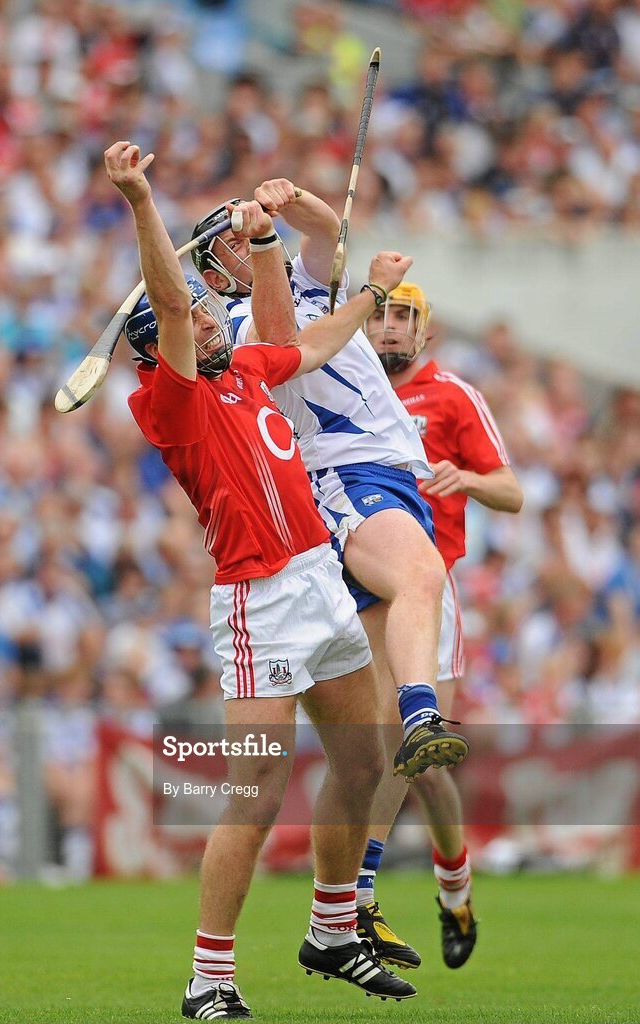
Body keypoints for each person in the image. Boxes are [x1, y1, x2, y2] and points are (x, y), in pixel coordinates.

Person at [103, 141, 417, 1020]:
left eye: (209, 313)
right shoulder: (170, 401)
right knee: (255, 793)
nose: (209, 320)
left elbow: (308, 344)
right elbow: (167, 294)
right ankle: (208, 981)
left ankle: (331, 930)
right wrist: (138, 198)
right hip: (260, 602)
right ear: (157, 348)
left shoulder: (242, 368)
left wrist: (371, 291)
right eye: (196, 319)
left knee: (363, 764)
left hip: (318, 576)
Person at [192, 183, 469, 783]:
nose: (245, 245)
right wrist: (266, 237)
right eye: (230, 245)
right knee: (422, 574)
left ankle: (357, 877)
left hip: (386, 472)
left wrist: (286, 197)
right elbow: (284, 341)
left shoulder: (309, 283)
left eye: (248, 238)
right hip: (339, 471)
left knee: (363, 761)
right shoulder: (232, 327)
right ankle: (422, 711)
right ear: (213, 278)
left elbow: (326, 231)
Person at [354, 282, 523, 971]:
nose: (390, 329)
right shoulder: (351, 386)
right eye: (381, 316)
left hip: (431, 586)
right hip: (365, 590)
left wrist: (467, 479)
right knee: (376, 744)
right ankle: (357, 897)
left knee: (424, 761)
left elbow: (511, 491)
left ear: (425, 332)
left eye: (403, 318)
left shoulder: (452, 395)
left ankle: (453, 886)